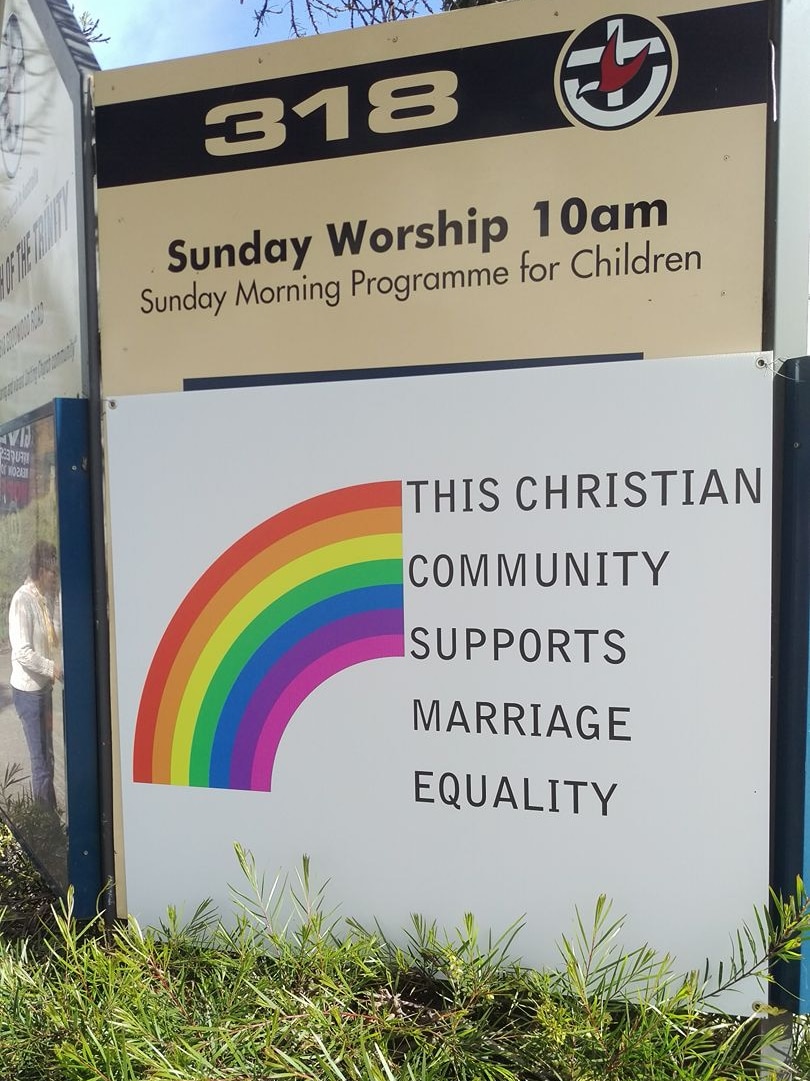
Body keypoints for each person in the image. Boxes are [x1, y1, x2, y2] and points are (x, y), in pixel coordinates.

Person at [8, 541, 62, 809]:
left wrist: (60, 597)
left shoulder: (44, 599)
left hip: (44, 690)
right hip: (29, 694)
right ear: (42, 570)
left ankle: (49, 814)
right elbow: (22, 652)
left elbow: (56, 635)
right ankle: (46, 824)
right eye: (53, 571)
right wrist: (51, 668)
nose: (56, 575)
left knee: (49, 757)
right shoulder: (22, 600)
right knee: (40, 762)